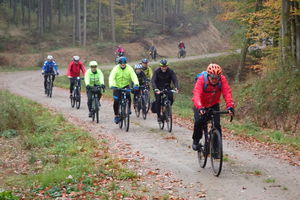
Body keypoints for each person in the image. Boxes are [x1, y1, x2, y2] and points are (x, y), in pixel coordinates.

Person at [191, 64, 235, 151]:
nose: (215, 80)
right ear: (208, 75)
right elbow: (197, 94)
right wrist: (200, 107)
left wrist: (230, 106)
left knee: (217, 125)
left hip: (214, 104)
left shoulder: (222, 80)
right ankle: (196, 141)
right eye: (212, 78)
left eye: (217, 78)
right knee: (199, 121)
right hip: (201, 104)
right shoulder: (201, 80)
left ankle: (216, 149)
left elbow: (227, 93)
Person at [109, 57, 139, 124]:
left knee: (128, 96)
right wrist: (112, 85)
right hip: (116, 86)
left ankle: (128, 109)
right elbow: (112, 77)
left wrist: (136, 84)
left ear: (126, 63)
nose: (123, 64)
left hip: (125, 85)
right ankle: (116, 115)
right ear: (119, 63)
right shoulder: (115, 69)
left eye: (124, 63)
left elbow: (134, 76)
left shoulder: (129, 68)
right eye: (121, 63)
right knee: (116, 101)